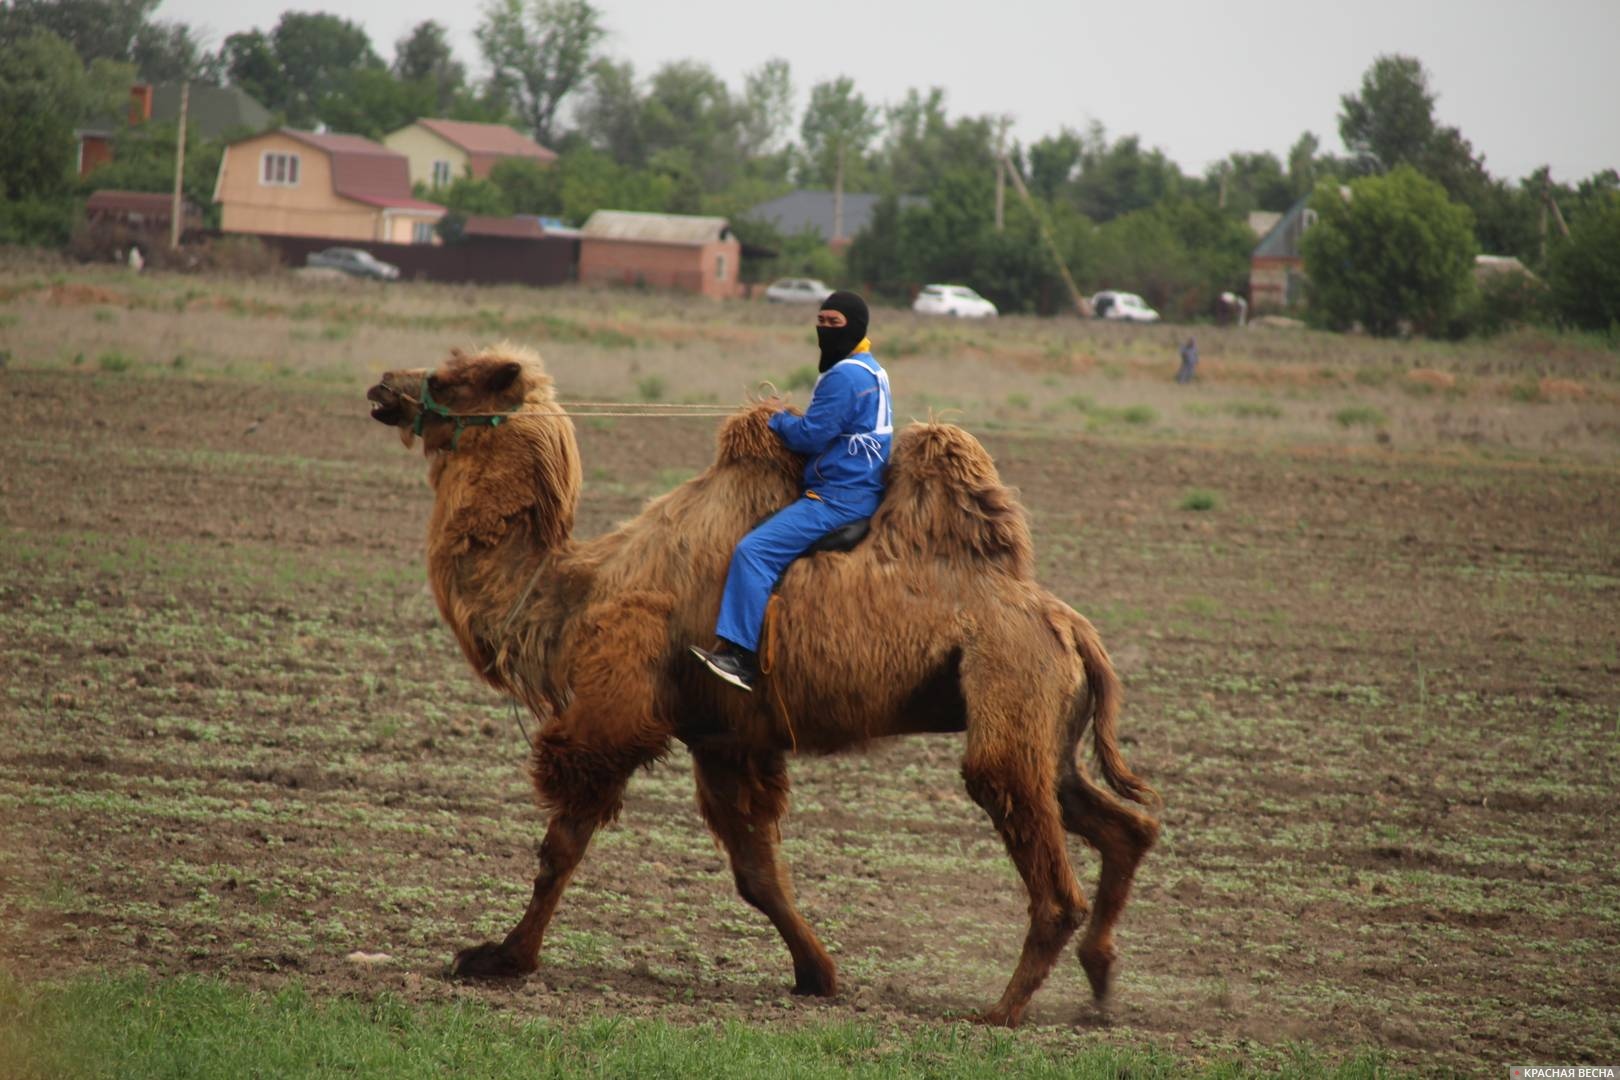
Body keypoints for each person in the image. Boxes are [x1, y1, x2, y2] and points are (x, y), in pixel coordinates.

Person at [691, 290, 892, 692]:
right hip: (864, 490)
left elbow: (811, 436)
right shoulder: (872, 370)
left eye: (833, 323)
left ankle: (738, 656)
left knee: (754, 550)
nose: (824, 330)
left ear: (855, 326)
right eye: (821, 321)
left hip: (837, 498)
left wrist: (776, 419)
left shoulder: (843, 375)